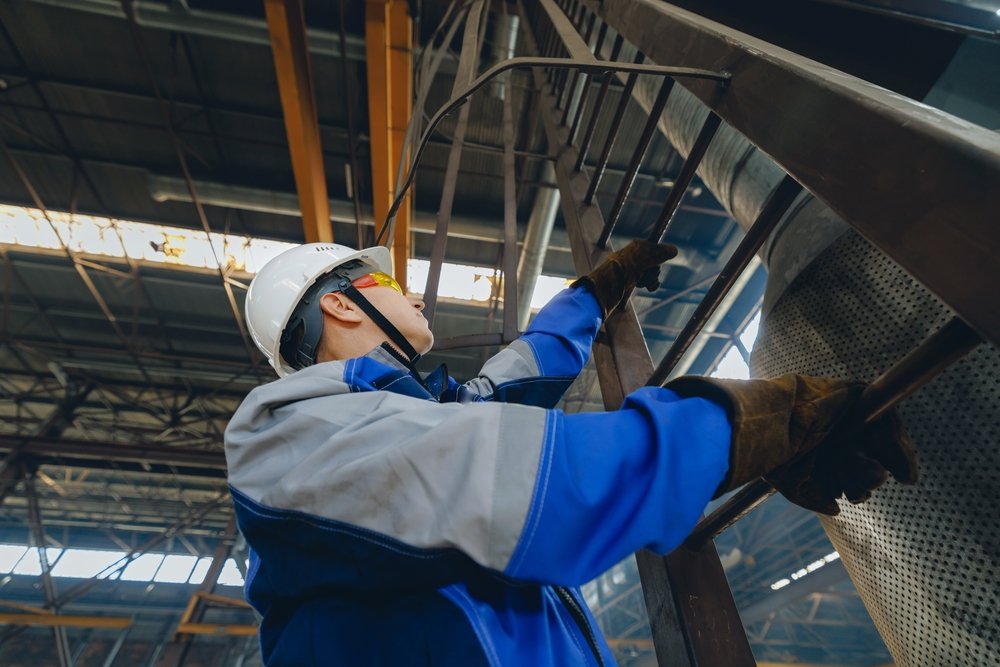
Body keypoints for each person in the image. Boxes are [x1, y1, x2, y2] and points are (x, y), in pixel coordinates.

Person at [225, 241, 916, 666]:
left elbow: (514, 377)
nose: (414, 298)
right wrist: (748, 423)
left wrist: (591, 295)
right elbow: (541, 484)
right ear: (344, 306)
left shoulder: (413, 418)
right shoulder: (289, 435)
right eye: (389, 287)